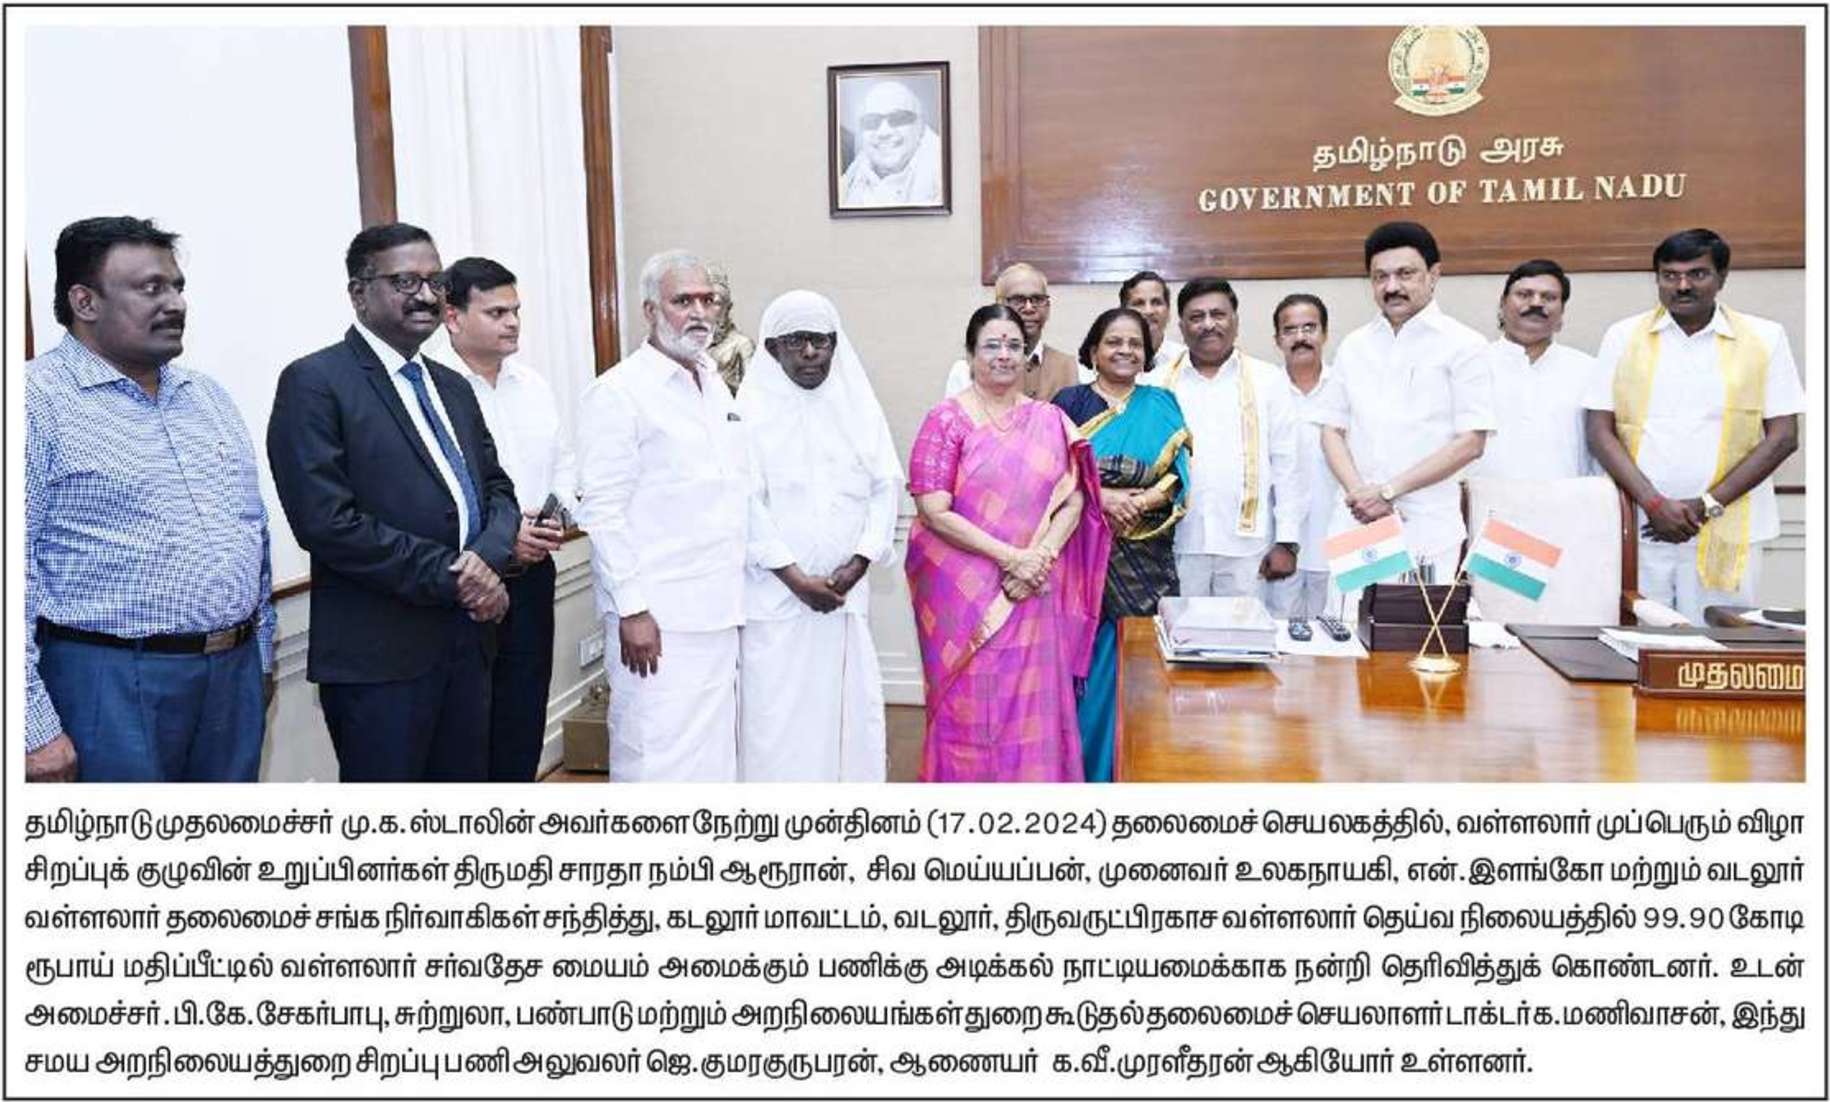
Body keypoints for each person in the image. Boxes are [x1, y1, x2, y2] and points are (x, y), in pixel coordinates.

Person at [25, 216, 273, 782]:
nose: (175, 303)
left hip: (231, 676)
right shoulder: (33, 403)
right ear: (85, 302)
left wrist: (258, 651)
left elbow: (250, 530)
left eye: (177, 287)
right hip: (107, 679)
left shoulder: (207, 397)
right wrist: (31, 726)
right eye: (150, 288)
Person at [268, 222, 518, 782]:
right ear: (359, 293)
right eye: (406, 282)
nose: (427, 296)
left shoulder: (452, 386)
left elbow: (497, 490)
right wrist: (459, 576)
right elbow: (327, 522)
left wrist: (488, 559)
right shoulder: (315, 382)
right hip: (379, 659)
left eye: (436, 281)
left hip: (469, 643)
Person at [574, 250, 760, 781]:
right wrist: (632, 609)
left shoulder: (713, 381)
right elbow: (603, 513)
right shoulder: (618, 393)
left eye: (707, 300)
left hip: (720, 607)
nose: (699, 312)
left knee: (714, 758)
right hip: (657, 617)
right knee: (656, 755)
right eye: (683, 301)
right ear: (650, 311)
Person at [908, 304, 1109, 782]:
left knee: (1031, 704)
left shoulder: (1050, 419)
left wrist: (1040, 558)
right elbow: (933, 509)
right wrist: (1012, 559)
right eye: (992, 345)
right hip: (967, 594)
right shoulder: (946, 420)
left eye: (1014, 346)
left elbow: (1075, 498)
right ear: (970, 354)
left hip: (1034, 589)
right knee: (971, 704)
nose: (1004, 355)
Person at [1584, 228, 1802, 623]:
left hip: (1729, 527)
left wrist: (1706, 505)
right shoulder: (1623, 336)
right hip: (1643, 527)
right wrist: (1654, 503)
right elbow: (1600, 430)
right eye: (1670, 275)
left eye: (1697, 274)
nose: (1682, 286)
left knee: (1722, 644)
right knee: (1640, 643)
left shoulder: (1764, 337)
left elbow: (1783, 437)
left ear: (1722, 277)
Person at [737, 291, 902, 781]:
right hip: (775, 599)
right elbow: (745, 505)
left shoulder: (858, 408)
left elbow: (885, 487)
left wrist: (858, 563)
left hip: (844, 598)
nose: (810, 353)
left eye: (821, 341)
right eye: (797, 341)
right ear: (773, 349)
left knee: (847, 714)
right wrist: (795, 579)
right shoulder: (748, 416)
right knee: (775, 720)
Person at [442, 256, 575, 782]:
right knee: (465, 736)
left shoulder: (533, 386)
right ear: (453, 317)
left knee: (522, 721)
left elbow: (564, 464)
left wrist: (558, 515)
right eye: (496, 313)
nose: (513, 323)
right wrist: (502, 540)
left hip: (534, 576)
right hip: (466, 585)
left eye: (516, 311)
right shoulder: (433, 389)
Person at [1051, 308, 1190, 782]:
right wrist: (1104, 497)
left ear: (1147, 354)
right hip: (1082, 561)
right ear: (1094, 350)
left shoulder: (1162, 403)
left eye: (1135, 343)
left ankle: (1138, 772)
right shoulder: (1068, 404)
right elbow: (1051, 473)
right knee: (1087, 673)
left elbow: (1180, 474)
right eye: (1114, 341)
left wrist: (1141, 499)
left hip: (1145, 566)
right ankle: (1085, 774)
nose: (1125, 350)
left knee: (1141, 672)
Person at [1312, 221, 1494, 571]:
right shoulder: (1355, 345)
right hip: (1358, 522)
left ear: (1433, 275)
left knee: (1417, 609)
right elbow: (1331, 429)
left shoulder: (1464, 345)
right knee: (1352, 608)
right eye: (1380, 277)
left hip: (1425, 525)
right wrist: (1361, 495)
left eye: (1405, 274)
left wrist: (1388, 492)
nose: (1392, 286)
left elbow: (1472, 442)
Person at [1167, 277, 1305, 602]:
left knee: (1243, 632)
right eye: (1196, 317)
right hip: (1178, 543)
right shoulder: (1159, 382)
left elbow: (1287, 464)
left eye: (1218, 314)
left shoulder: (1268, 379)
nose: (1208, 324)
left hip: (1248, 546)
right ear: (1182, 326)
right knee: (1178, 630)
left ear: (1235, 321)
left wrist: (1287, 541)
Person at [1468, 259, 1597, 480]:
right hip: (1485, 497)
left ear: (1562, 313)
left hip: (1567, 497)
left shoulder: (1589, 370)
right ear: (1502, 305)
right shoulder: (1470, 365)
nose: (1536, 303)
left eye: (1549, 297)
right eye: (1524, 294)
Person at [1264, 293, 1340, 620]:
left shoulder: (1345, 386)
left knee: (1340, 633)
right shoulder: (1264, 389)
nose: (1300, 337)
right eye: (1290, 330)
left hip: (1335, 536)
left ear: (1325, 333)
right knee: (1280, 634)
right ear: (1277, 339)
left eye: (1309, 328)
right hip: (1279, 541)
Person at [943, 263, 1079, 401]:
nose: (1029, 308)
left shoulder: (1072, 367)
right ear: (999, 305)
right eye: (1018, 300)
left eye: (1037, 299)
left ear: (1048, 307)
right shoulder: (966, 370)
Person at [841, 79, 944, 207]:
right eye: (871, 121)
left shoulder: (944, 177)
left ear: (920, 126)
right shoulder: (852, 177)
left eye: (898, 118)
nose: (884, 132)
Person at [1118, 269, 1185, 382]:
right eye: (1139, 303)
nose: (1148, 311)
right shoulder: (1111, 360)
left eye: (1156, 302)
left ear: (1168, 311)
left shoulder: (1185, 359)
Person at [705, 262, 755, 394]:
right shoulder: (692, 346)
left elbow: (754, 390)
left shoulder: (742, 344)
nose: (708, 310)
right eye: (705, 303)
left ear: (728, 307)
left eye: (716, 303)